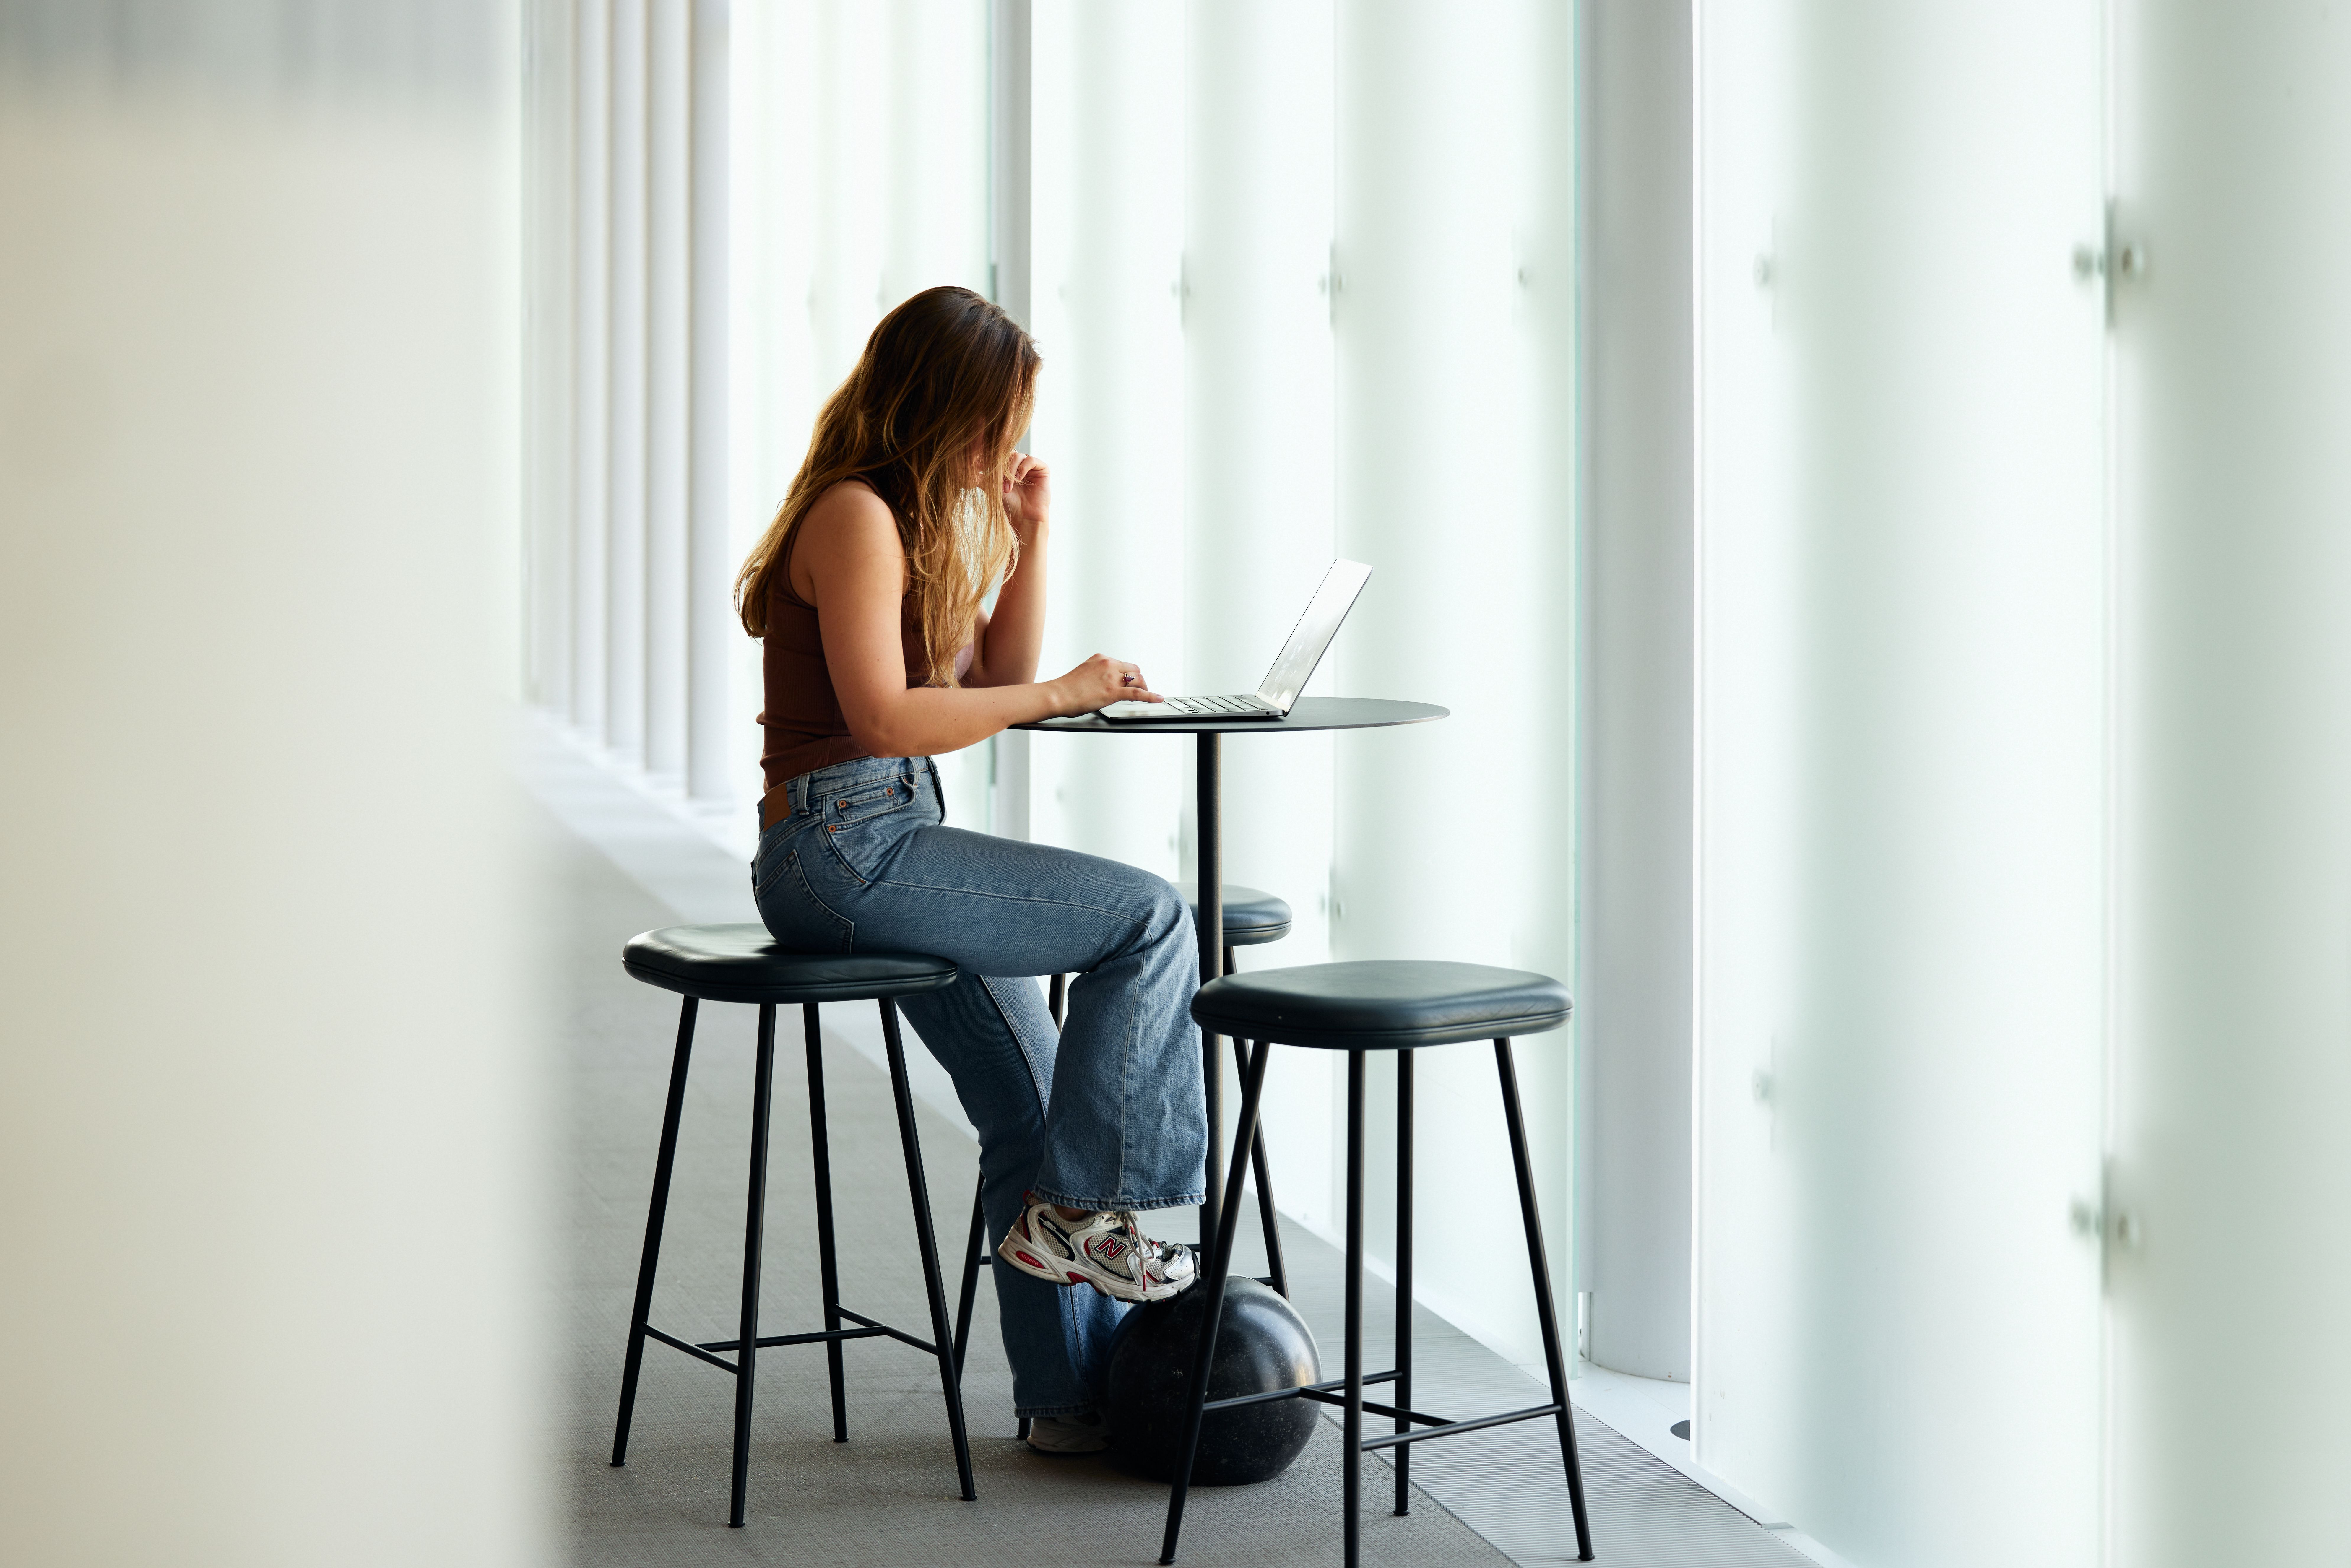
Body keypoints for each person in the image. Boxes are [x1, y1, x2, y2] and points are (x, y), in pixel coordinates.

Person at [738, 285, 1206, 1456]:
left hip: (879, 834)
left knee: (1031, 1106)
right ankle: (1113, 1218)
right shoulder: (852, 515)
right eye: (999, 420)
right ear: (943, 407)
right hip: (844, 842)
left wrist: (1030, 534)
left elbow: (998, 664)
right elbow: (891, 719)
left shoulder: (917, 516)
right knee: (1148, 917)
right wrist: (1060, 695)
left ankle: (1063, 1397)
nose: (1009, 445)